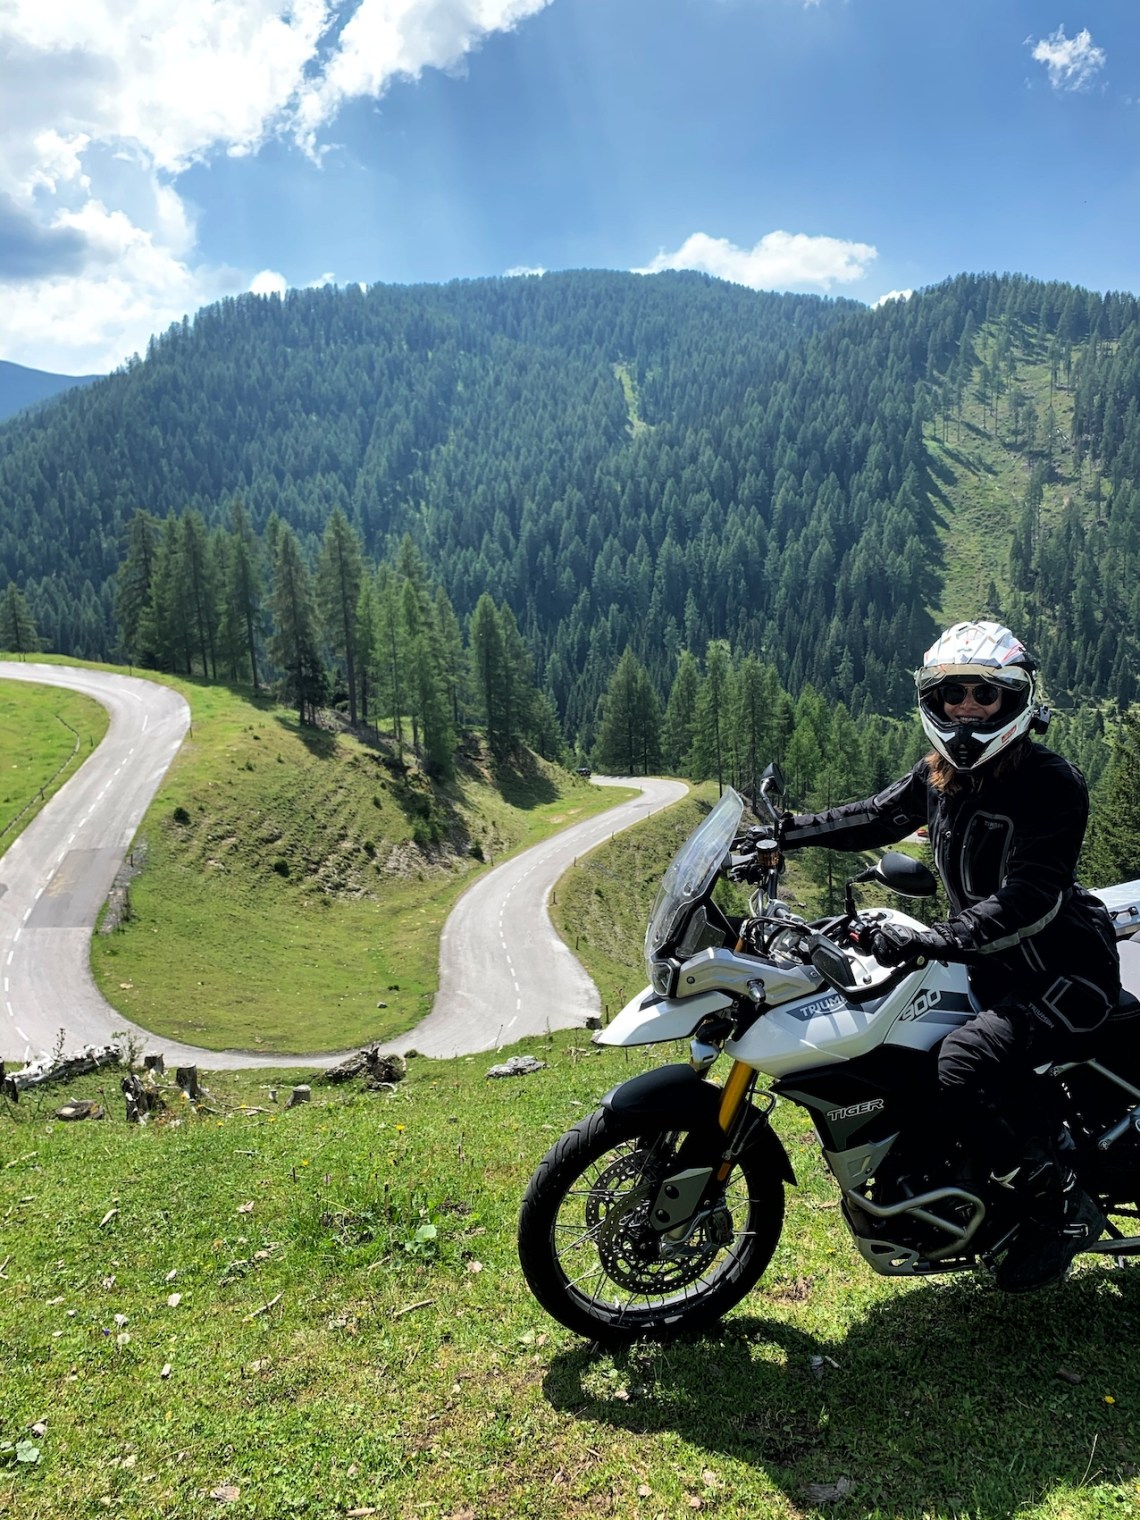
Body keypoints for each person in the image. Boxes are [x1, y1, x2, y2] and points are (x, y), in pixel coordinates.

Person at [780, 619, 1121, 1291]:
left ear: (1015, 701)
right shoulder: (941, 777)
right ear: (933, 704)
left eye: (984, 695)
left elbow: (1030, 895)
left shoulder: (1051, 782)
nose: (966, 708)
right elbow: (875, 817)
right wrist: (778, 836)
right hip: (988, 964)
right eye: (951, 696)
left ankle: (1060, 1208)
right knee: (903, 1056)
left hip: (1062, 976)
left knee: (959, 1065)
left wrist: (937, 937)